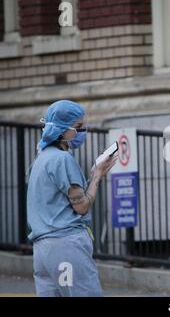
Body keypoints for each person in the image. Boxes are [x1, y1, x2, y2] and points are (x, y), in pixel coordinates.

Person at [26, 100, 117, 297]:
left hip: (42, 251)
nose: (83, 131)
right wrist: (97, 176)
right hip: (66, 245)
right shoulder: (63, 159)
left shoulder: (41, 159)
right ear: (61, 129)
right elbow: (82, 206)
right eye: (78, 127)